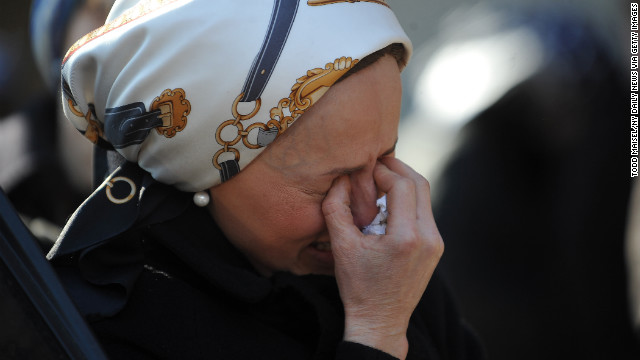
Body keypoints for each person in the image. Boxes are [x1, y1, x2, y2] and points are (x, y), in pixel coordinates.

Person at [48, 1, 485, 359]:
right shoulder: (113, 332)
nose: (370, 210)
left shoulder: (389, 262)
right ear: (197, 170)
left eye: (385, 157)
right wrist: (377, 331)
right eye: (330, 182)